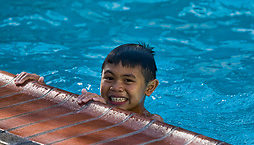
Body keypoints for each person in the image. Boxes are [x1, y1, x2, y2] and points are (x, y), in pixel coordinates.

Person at [14, 43, 163, 121]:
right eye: (109, 78)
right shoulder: (94, 102)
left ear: (150, 88)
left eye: (128, 80)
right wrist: (39, 90)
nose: (116, 87)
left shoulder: (153, 121)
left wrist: (110, 113)